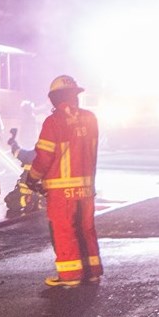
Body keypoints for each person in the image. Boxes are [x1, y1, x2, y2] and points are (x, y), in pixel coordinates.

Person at [25, 75, 101, 288]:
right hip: (86, 187)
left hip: (61, 189)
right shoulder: (90, 118)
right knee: (86, 228)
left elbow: (44, 156)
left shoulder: (53, 121)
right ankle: (92, 271)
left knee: (64, 229)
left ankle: (70, 275)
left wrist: (32, 177)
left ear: (54, 98)